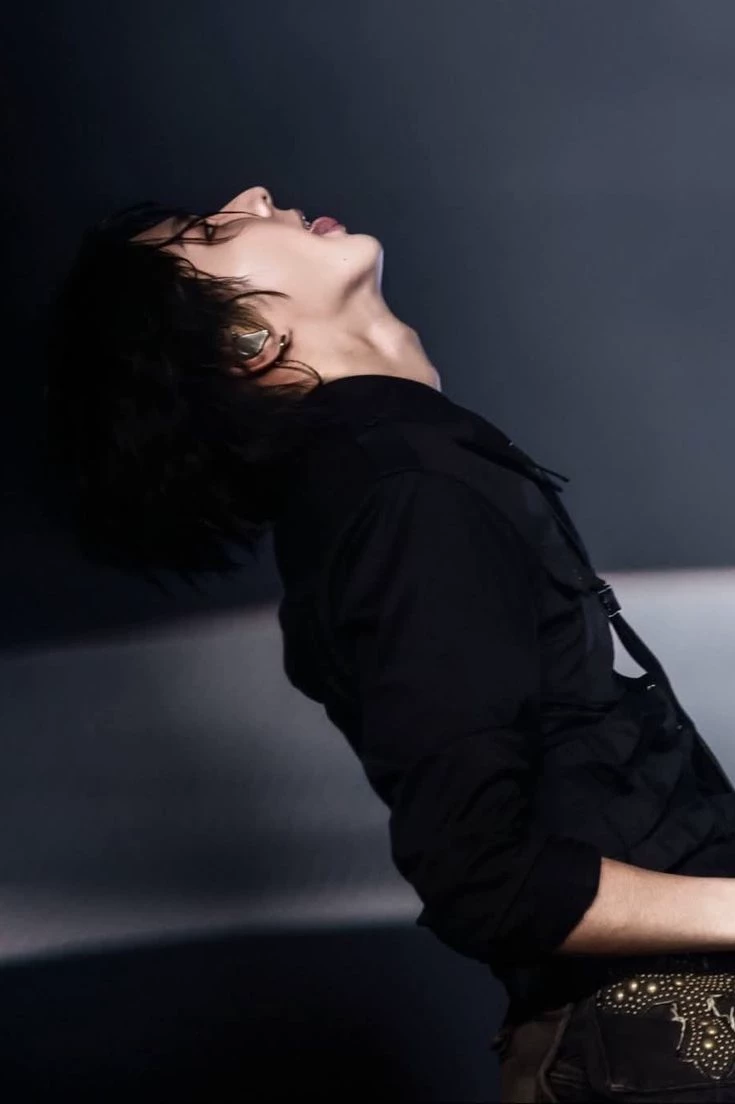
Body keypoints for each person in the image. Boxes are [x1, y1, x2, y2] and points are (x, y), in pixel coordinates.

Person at [44, 184, 735, 1102]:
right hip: (668, 1053)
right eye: (210, 233)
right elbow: (483, 877)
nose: (254, 195)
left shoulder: (402, 472)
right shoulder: (402, 493)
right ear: (246, 341)